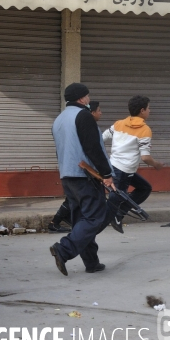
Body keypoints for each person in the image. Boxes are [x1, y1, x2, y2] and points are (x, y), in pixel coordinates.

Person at [50, 84, 114, 276]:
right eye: (87, 96)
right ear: (81, 99)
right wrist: (106, 174)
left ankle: (92, 262)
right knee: (95, 217)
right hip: (85, 175)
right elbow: (92, 148)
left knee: (81, 220)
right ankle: (64, 248)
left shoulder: (59, 119)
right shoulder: (83, 116)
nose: (89, 99)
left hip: (67, 175)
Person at [102, 95, 164, 233]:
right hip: (124, 170)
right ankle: (109, 219)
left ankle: (117, 213)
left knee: (144, 188)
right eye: (149, 108)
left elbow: (102, 138)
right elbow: (145, 157)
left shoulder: (119, 124)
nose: (150, 111)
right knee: (117, 198)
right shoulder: (144, 130)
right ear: (142, 110)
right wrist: (156, 164)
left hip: (115, 166)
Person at [48, 101, 103, 233]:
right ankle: (67, 243)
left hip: (68, 171)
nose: (101, 113)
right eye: (99, 110)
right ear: (92, 113)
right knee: (91, 212)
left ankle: (64, 227)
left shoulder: (61, 121)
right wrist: (105, 172)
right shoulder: (84, 125)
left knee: (74, 203)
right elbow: (94, 150)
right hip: (82, 173)